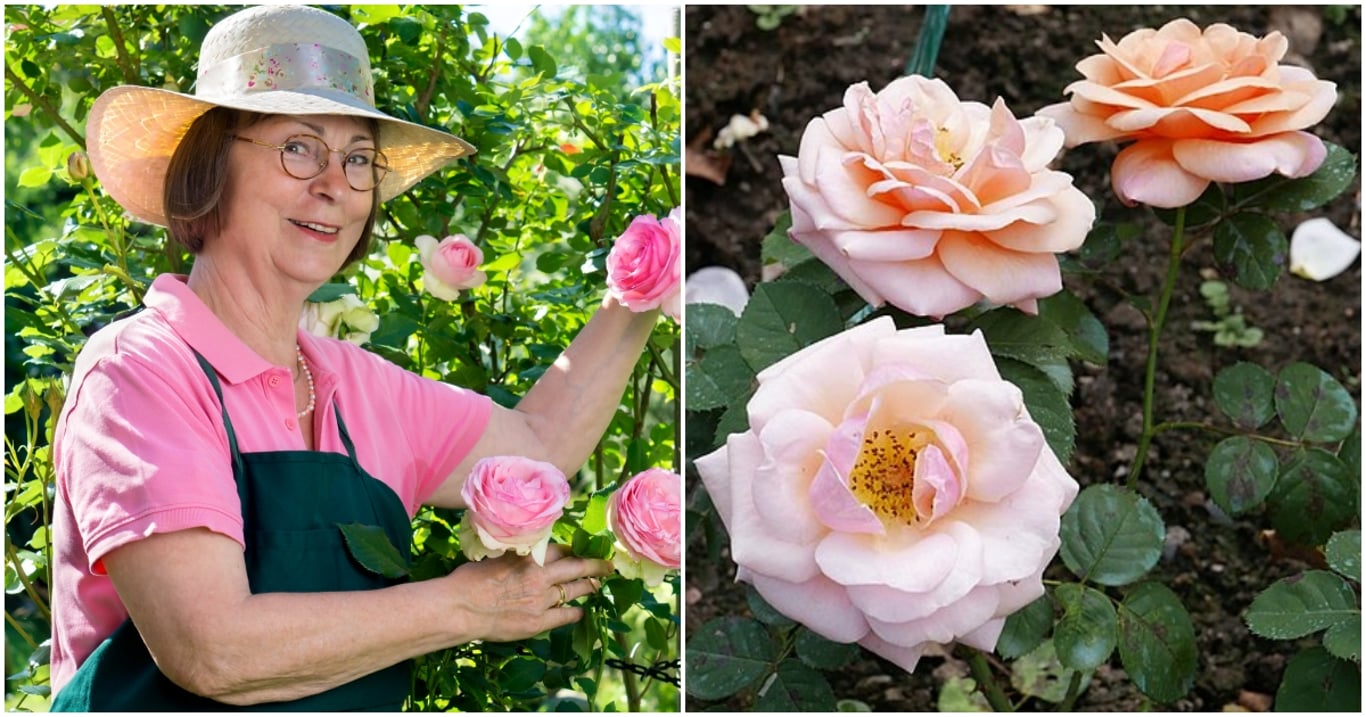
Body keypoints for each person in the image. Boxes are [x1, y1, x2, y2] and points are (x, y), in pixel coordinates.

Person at [49, 5, 661, 710]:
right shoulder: (142, 369)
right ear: (209, 167)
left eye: (359, 159)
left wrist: (648, 282)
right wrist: (465, 608)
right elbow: (212, 649)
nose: (335, 185)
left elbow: (540, 443)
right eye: (299, 147)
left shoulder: (358, 385)